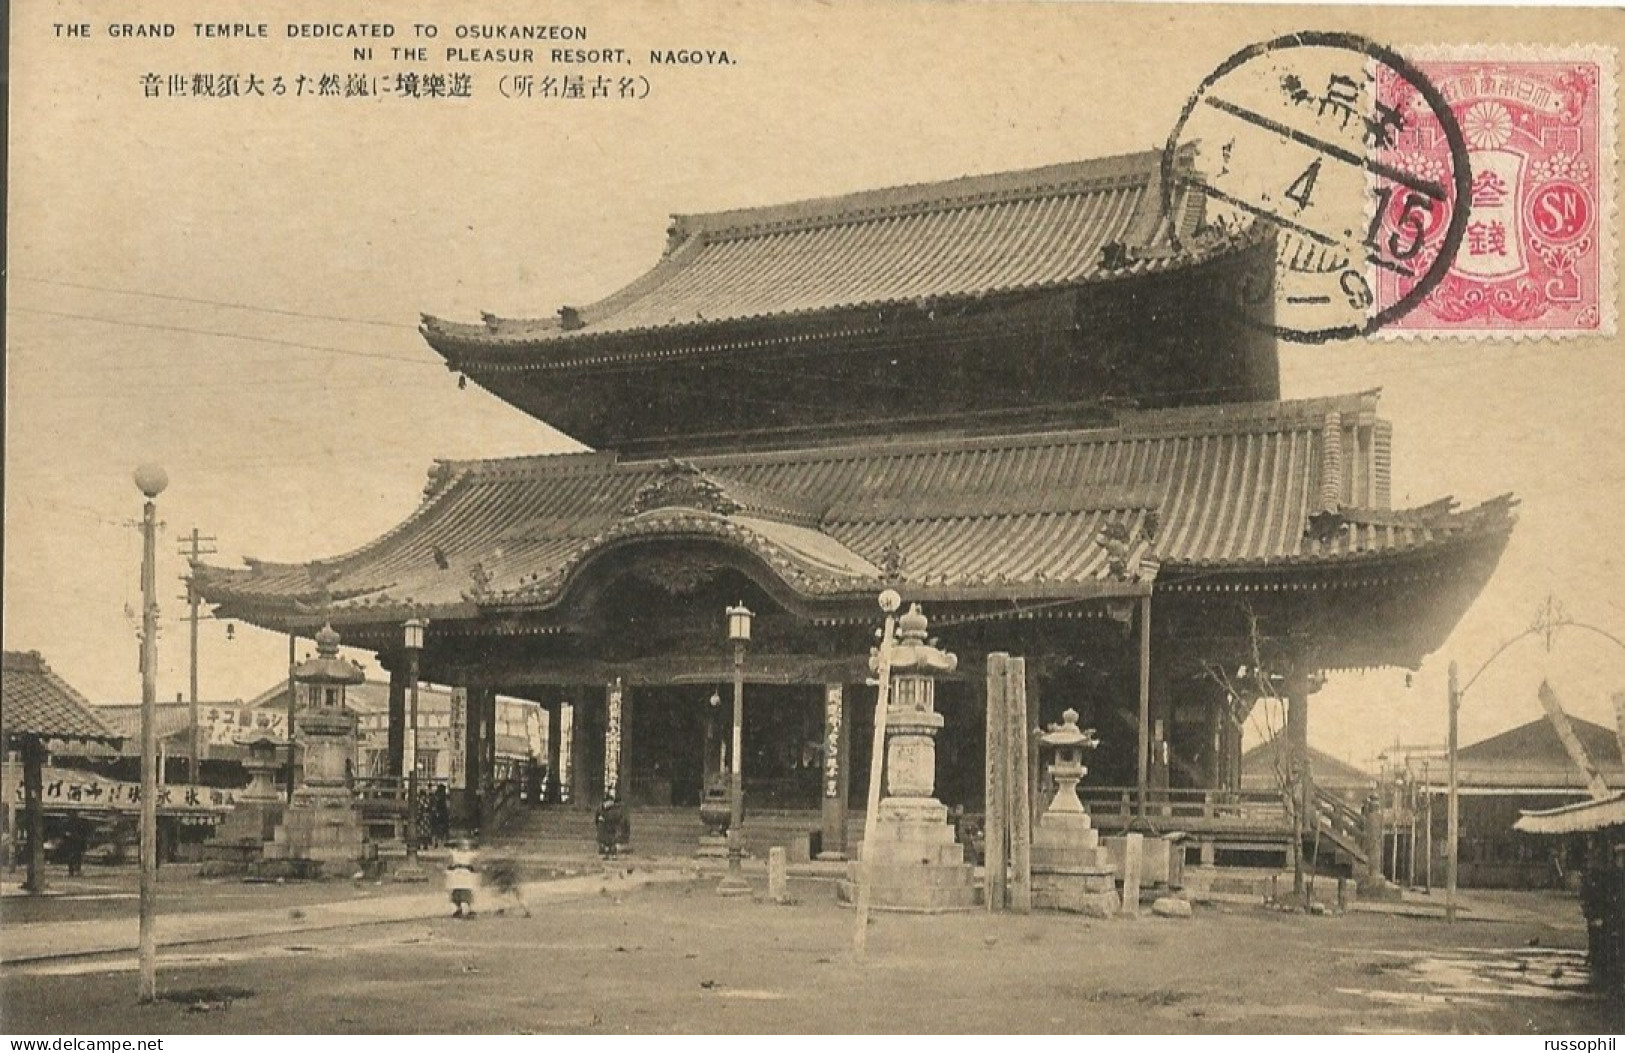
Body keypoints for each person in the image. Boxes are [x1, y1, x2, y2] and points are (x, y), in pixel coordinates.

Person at [446, 837, 479, 918]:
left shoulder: (454, 854)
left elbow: (449, 864)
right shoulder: (469, 855)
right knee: (465, 892)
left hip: (457, 875)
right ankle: (464, 909)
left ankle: (458, 908)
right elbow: (475, 862)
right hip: (465, 875)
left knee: (458, 892)